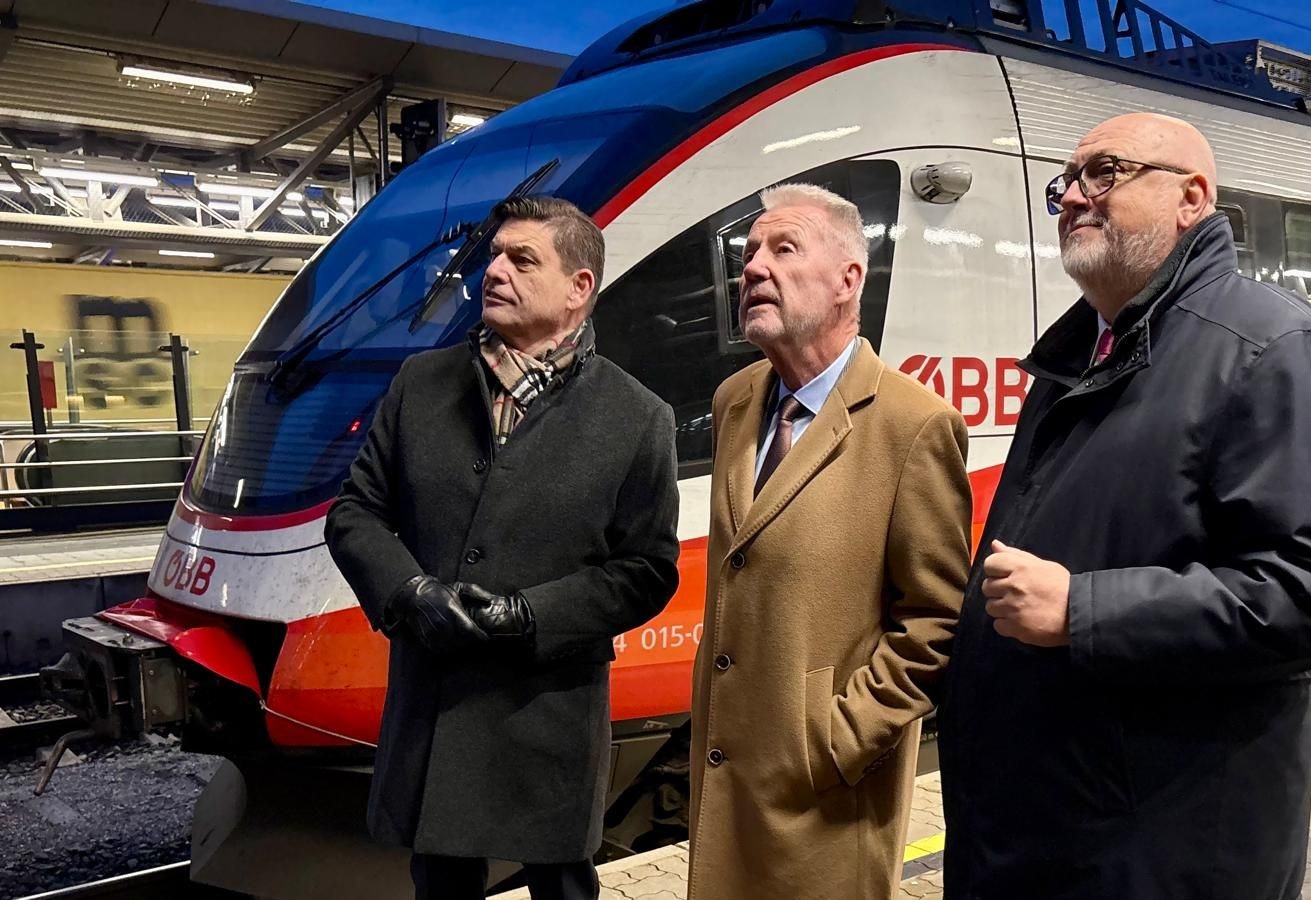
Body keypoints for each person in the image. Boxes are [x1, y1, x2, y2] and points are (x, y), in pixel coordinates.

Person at [938, 112, 1311, 899]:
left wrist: (1084, 609)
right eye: (1066, 182)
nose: (1074, 196)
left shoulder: (1271, 348)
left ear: (1192, 198)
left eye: (1105, 172)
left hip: (1156, 856)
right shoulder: (1077, 357)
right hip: (1042, 838)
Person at [324, 195, 681, 900]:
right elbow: (354, 511)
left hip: (547, 713)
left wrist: (528, 614)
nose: (494, 271)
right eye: (494, 256)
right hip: (437, 703)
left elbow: (646, 571)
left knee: (561, 887)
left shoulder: (638, 417)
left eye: (523, 259)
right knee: (440, 885)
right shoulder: (421, 385)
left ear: (579, 287)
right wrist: (409, 592)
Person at [685, 183, 972, 900]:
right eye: (751, 251)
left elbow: (936, 619)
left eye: (783, 249)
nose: (753, 267)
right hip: (726, 774)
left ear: (849, 280)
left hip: (827, 797)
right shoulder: (736, 401)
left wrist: (838, 741)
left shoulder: (914, 425)